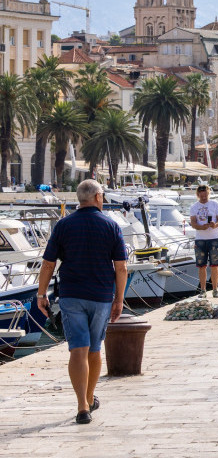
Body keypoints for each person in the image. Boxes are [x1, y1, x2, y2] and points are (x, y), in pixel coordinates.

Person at [35, 179, 127, 425]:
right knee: (95, 349)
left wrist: (41, 294)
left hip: (72, 294)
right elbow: (121, 267)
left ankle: (82, 406)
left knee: (78, 349)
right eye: (103, 195)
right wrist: (119, 299)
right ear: (97, 197)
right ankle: (88, 398)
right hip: (101, 296)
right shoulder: (111, 225)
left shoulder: (63, 225)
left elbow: (48, 263)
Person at [188, 184, 218, 297]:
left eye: (206, 195)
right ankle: (203, 290)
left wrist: (215, 225)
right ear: (198, 195)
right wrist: (200, 227)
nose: (204, 198)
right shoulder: (194, 207)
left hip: (214, 238)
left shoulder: (215, 204)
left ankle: (215, 290)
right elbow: (193, 223)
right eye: (201, 196)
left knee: (215, 265)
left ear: (209, 193)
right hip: (200, 239)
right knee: (201, 265)